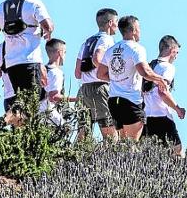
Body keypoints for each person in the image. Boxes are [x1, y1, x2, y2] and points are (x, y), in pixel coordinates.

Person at [0, 0, 54, 113]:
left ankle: (19, 132)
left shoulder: (0, 9)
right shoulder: (34, 3)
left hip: (12, 65)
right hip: (30, 61)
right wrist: (48, 32)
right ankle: (30, 133)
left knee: (21, 102)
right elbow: (48, 25)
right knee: (35, 104)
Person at [101, 15, 169, 141]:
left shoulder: (111, 50)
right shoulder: (136, 48)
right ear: (133, 31)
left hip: (114, 101)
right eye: (139, 28)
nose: (140, 31)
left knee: (122, 143)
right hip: (130, 100)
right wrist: (160, 79)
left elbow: (100, 74)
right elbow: (145, 72)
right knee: (131, 144)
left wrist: (118, 78)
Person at [74, 8, 119, 142]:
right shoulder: (107, 40)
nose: (118, 25)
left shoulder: (86, 42)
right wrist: (112, 76)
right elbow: (97, 58)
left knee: (83, 133)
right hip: (100, 89)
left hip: (83, 90)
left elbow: (77, 73)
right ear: (110, 23)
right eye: (116, 21)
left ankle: (77, 160)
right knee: (111, 135)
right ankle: (111, 161)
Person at [143, 35, 187, 152]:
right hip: (162, 115)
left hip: (146, 116)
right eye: (176, 53)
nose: (176, 56)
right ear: (172, 50)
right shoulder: (168, 67)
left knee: (150, 153)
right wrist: (178, 109)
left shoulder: (149, 66)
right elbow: (162, 92)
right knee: (177, 150)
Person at [41, 38, 69, 127]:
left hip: (33, 110)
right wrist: (76, 99)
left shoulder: (41, 70)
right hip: (48, 111)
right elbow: (53, 97)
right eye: (65, 52)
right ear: (60, 53)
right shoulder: (56, 72)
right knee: (66, 128)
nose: (65, 55)